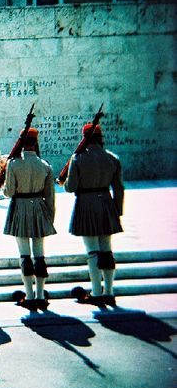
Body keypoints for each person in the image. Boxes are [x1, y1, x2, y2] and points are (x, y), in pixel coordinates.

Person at [64, 123, 124, 306]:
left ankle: (97, 292)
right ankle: (110, 291)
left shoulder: (78, 159)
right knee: (107, 251)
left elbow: (71, 187)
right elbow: (119, 188)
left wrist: (64, 181)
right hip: (106, 203)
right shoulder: (112, 158)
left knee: (92, 252)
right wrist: (117, 211)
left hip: (86, 203)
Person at [3, 127, 56, 310]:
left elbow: (9, 192)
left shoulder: (14, 164)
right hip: (40, 209)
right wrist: (49, 218)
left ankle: (29, 295)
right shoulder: (45, 165)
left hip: (20, 208)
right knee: (39, 256)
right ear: (36, 143)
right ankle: (41, 295)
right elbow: (50, 197)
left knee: (25, 255)